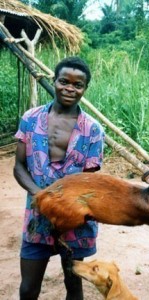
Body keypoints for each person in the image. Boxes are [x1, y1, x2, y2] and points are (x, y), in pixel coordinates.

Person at [13, 56, 105, 300]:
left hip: (76, 221)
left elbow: (89, 182)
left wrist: (66, 206)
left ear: (85, 89)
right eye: (64, 81)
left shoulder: (93, 130)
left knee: (73, 287)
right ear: (54, 81)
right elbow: (19, 167)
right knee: (28, 289)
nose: (70, 89)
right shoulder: (31, 119)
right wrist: (40, 195)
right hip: (37, 217)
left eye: (78, 85)